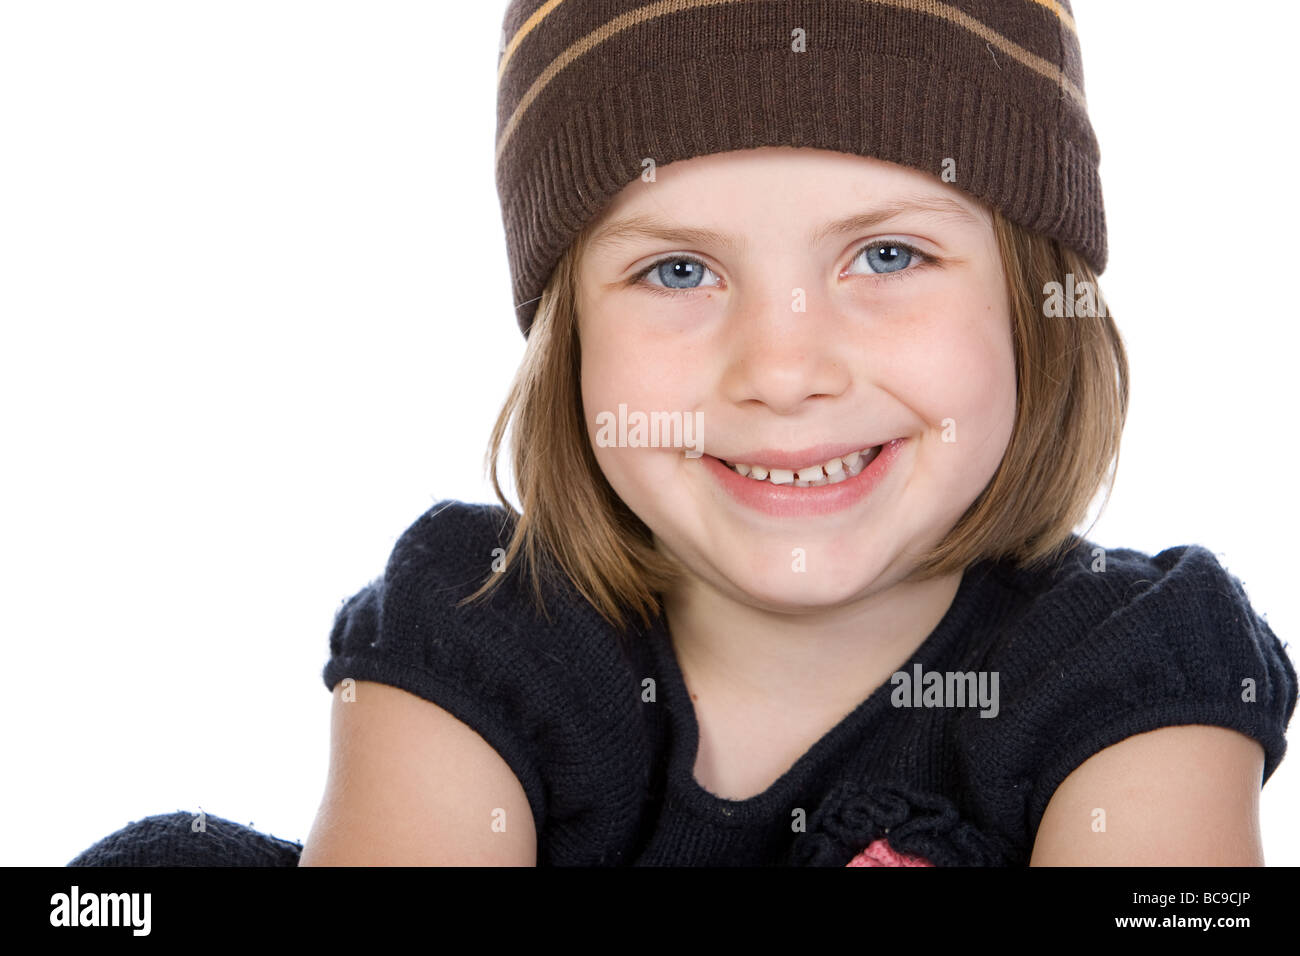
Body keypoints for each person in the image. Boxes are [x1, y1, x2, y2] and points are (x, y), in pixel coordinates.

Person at [70, 0, 1296, 868]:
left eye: (886, 253)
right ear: (569, 340)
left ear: (1038, 300)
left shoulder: (1139, 674)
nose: (781, 368)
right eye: (674, 270)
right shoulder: (482, 631)